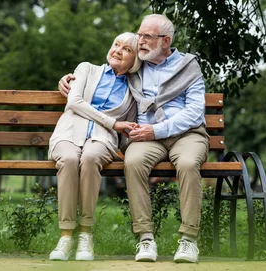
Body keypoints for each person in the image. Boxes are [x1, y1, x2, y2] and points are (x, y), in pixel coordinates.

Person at [58, 14, 209, 263]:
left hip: (186, 134)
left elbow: (194, 113)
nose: (140, 41)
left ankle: (189, 239)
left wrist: (156, 130)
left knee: (188, 164)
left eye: (147, 36)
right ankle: (145, 238)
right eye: (139, 35)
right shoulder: (138, 66)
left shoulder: (187, 66)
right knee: (133, 162)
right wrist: (68, 79)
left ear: (165, 41)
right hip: (147, 137)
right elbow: (109, 70)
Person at [48, 32, 141, 261]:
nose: (118, 50)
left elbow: (130, 125)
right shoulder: (86, 69)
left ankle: (86, 235)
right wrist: (114, 123)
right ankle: (66, 236)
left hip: (102, 139)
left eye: (127, 49)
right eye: (116, 45)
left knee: (89, 159)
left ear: (136, 60)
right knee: (69, 160)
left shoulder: (135, 88)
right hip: (68, 131)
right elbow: (75, 101)